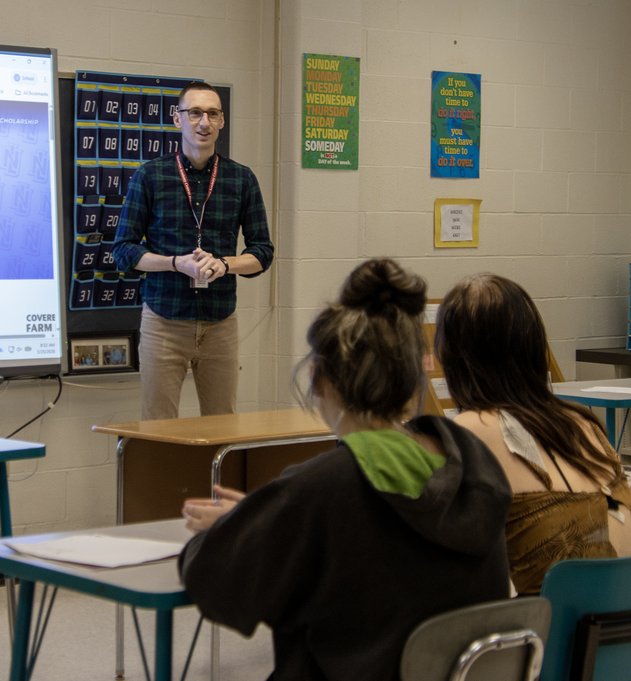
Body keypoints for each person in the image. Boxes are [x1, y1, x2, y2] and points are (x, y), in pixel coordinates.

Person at [178, 259, 511, 681]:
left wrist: (236, 527)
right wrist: (265, 518)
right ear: (413, 381)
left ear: (318, 379)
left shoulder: (320, 487)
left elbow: (217, 580)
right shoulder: (475, 469)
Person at [435, 274, 631, 595]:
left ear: (451, 357)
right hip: (617, 629)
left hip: (550, 633)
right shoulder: (583, 423)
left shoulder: (469, 431)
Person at [112, 81, 273, 420]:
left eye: (212, 114)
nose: (204, 122)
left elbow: (262, 252)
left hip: (220, 323)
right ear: (177, 119)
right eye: (195, 113)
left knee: (222, 425)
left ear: (222, 121)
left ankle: (214, 477)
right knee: (159, 429)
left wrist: (225, 264)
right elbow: (124, 251)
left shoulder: (242, 179)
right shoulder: (150, 176)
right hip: (164, 322)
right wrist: (175, 263)